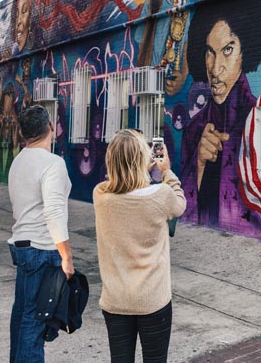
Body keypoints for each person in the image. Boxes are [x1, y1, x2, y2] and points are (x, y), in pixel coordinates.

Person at [180, 0, 261, 236]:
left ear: (246, 51)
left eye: (228, 50)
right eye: (210, 51)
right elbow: (182, 209)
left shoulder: (257, 123)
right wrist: (198, 162)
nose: (215, 67)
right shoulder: (193, 129)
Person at [93, 129, 186, 362]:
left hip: (115, 300)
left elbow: (122, 184)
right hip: (153, 300)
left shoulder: (100, 195)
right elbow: (179, 205)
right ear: (142, 159)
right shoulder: (161, 195)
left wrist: (136, 166)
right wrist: (166, 171)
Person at [7, 105, 74, 363]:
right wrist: (66, 256)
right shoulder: (52, 164)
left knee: (23, 315)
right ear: (50, 128)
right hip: (42, 251)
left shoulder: (19, 160)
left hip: (23, 248)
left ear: (23, 132)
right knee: (36, 322)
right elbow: (54, 213)